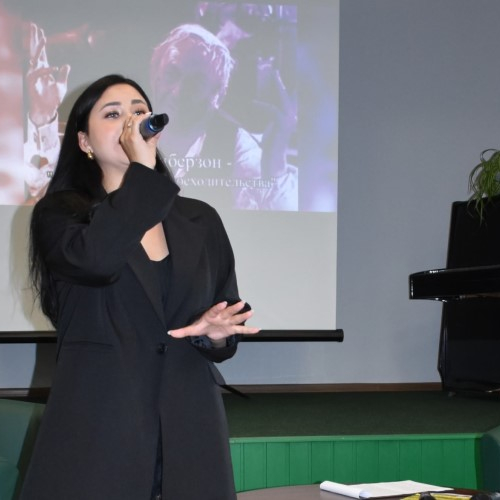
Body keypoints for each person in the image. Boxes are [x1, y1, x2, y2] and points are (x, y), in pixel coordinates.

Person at [21, 74, 259, 500]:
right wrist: (143, 176)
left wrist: (216, 335)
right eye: (113, 114)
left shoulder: (200, 220)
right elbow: (97, 261)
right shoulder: (61, 215)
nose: (131, 122)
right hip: (99, 429)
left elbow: (226, 318)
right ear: (84, 142)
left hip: (191, 427)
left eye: (139, 112)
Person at [151, 23, 298, 211]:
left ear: (217, 96)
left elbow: (283, 213)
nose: (177, 92)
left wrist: (276, 165)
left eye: (196, 83)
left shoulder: (238, 146)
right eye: (172, 74)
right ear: (156, 76)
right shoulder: (125, 131)